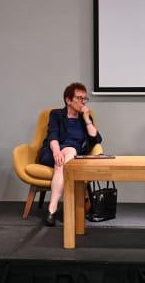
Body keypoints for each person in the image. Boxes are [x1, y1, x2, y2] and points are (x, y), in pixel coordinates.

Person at [39, 82, 103, 226]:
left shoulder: (84, 118)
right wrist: (56, 152)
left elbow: (96, 139)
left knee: (70, 154)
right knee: (68, 154)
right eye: (79, 98)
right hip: (52, 152)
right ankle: (63, 207)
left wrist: (87, 120)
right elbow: (53, 136)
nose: (83, 102)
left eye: (85, 99)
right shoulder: (56, 114)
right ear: (68, 100)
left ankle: (52, 210)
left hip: (74, 157)